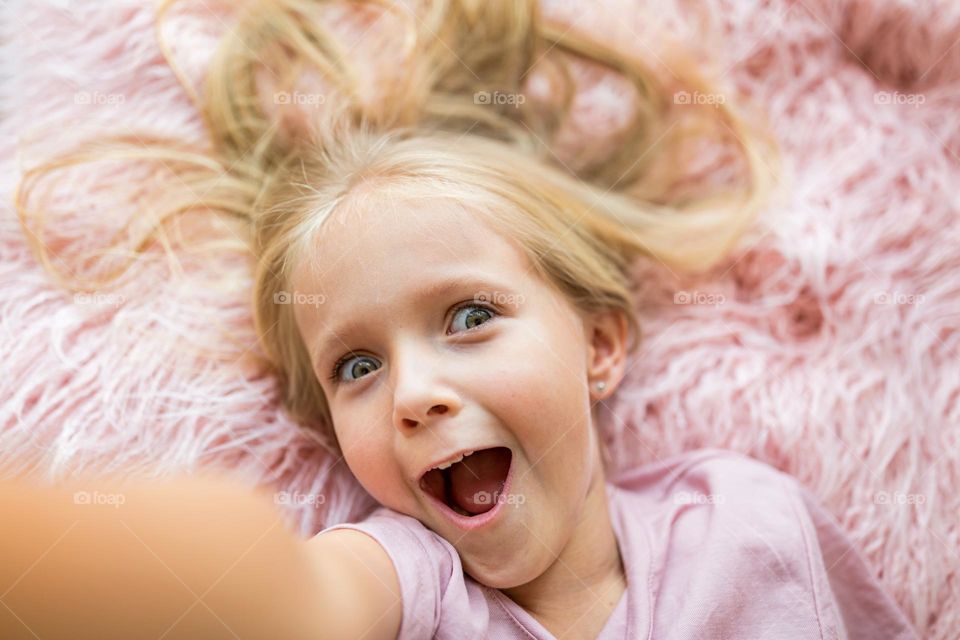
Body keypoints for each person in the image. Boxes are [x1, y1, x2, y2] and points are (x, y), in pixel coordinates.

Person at [10, 0, 917, 637]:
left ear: (599, 343)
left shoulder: (742, 522)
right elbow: (277, 597)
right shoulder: (417, 582)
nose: (413, 393)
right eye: (357, 368)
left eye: (471, 315)